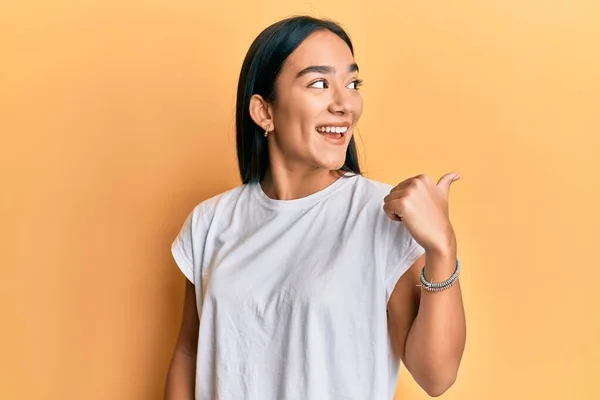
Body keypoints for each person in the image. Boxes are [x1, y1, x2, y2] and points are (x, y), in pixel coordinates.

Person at [164, 15, 466, 400]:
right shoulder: (210, 222)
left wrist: (442, 247)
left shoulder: (383, 213)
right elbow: (190, 350)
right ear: (264, 112)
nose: (345, 104)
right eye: (319, 83)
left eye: (352, 83)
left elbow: (436, 376)